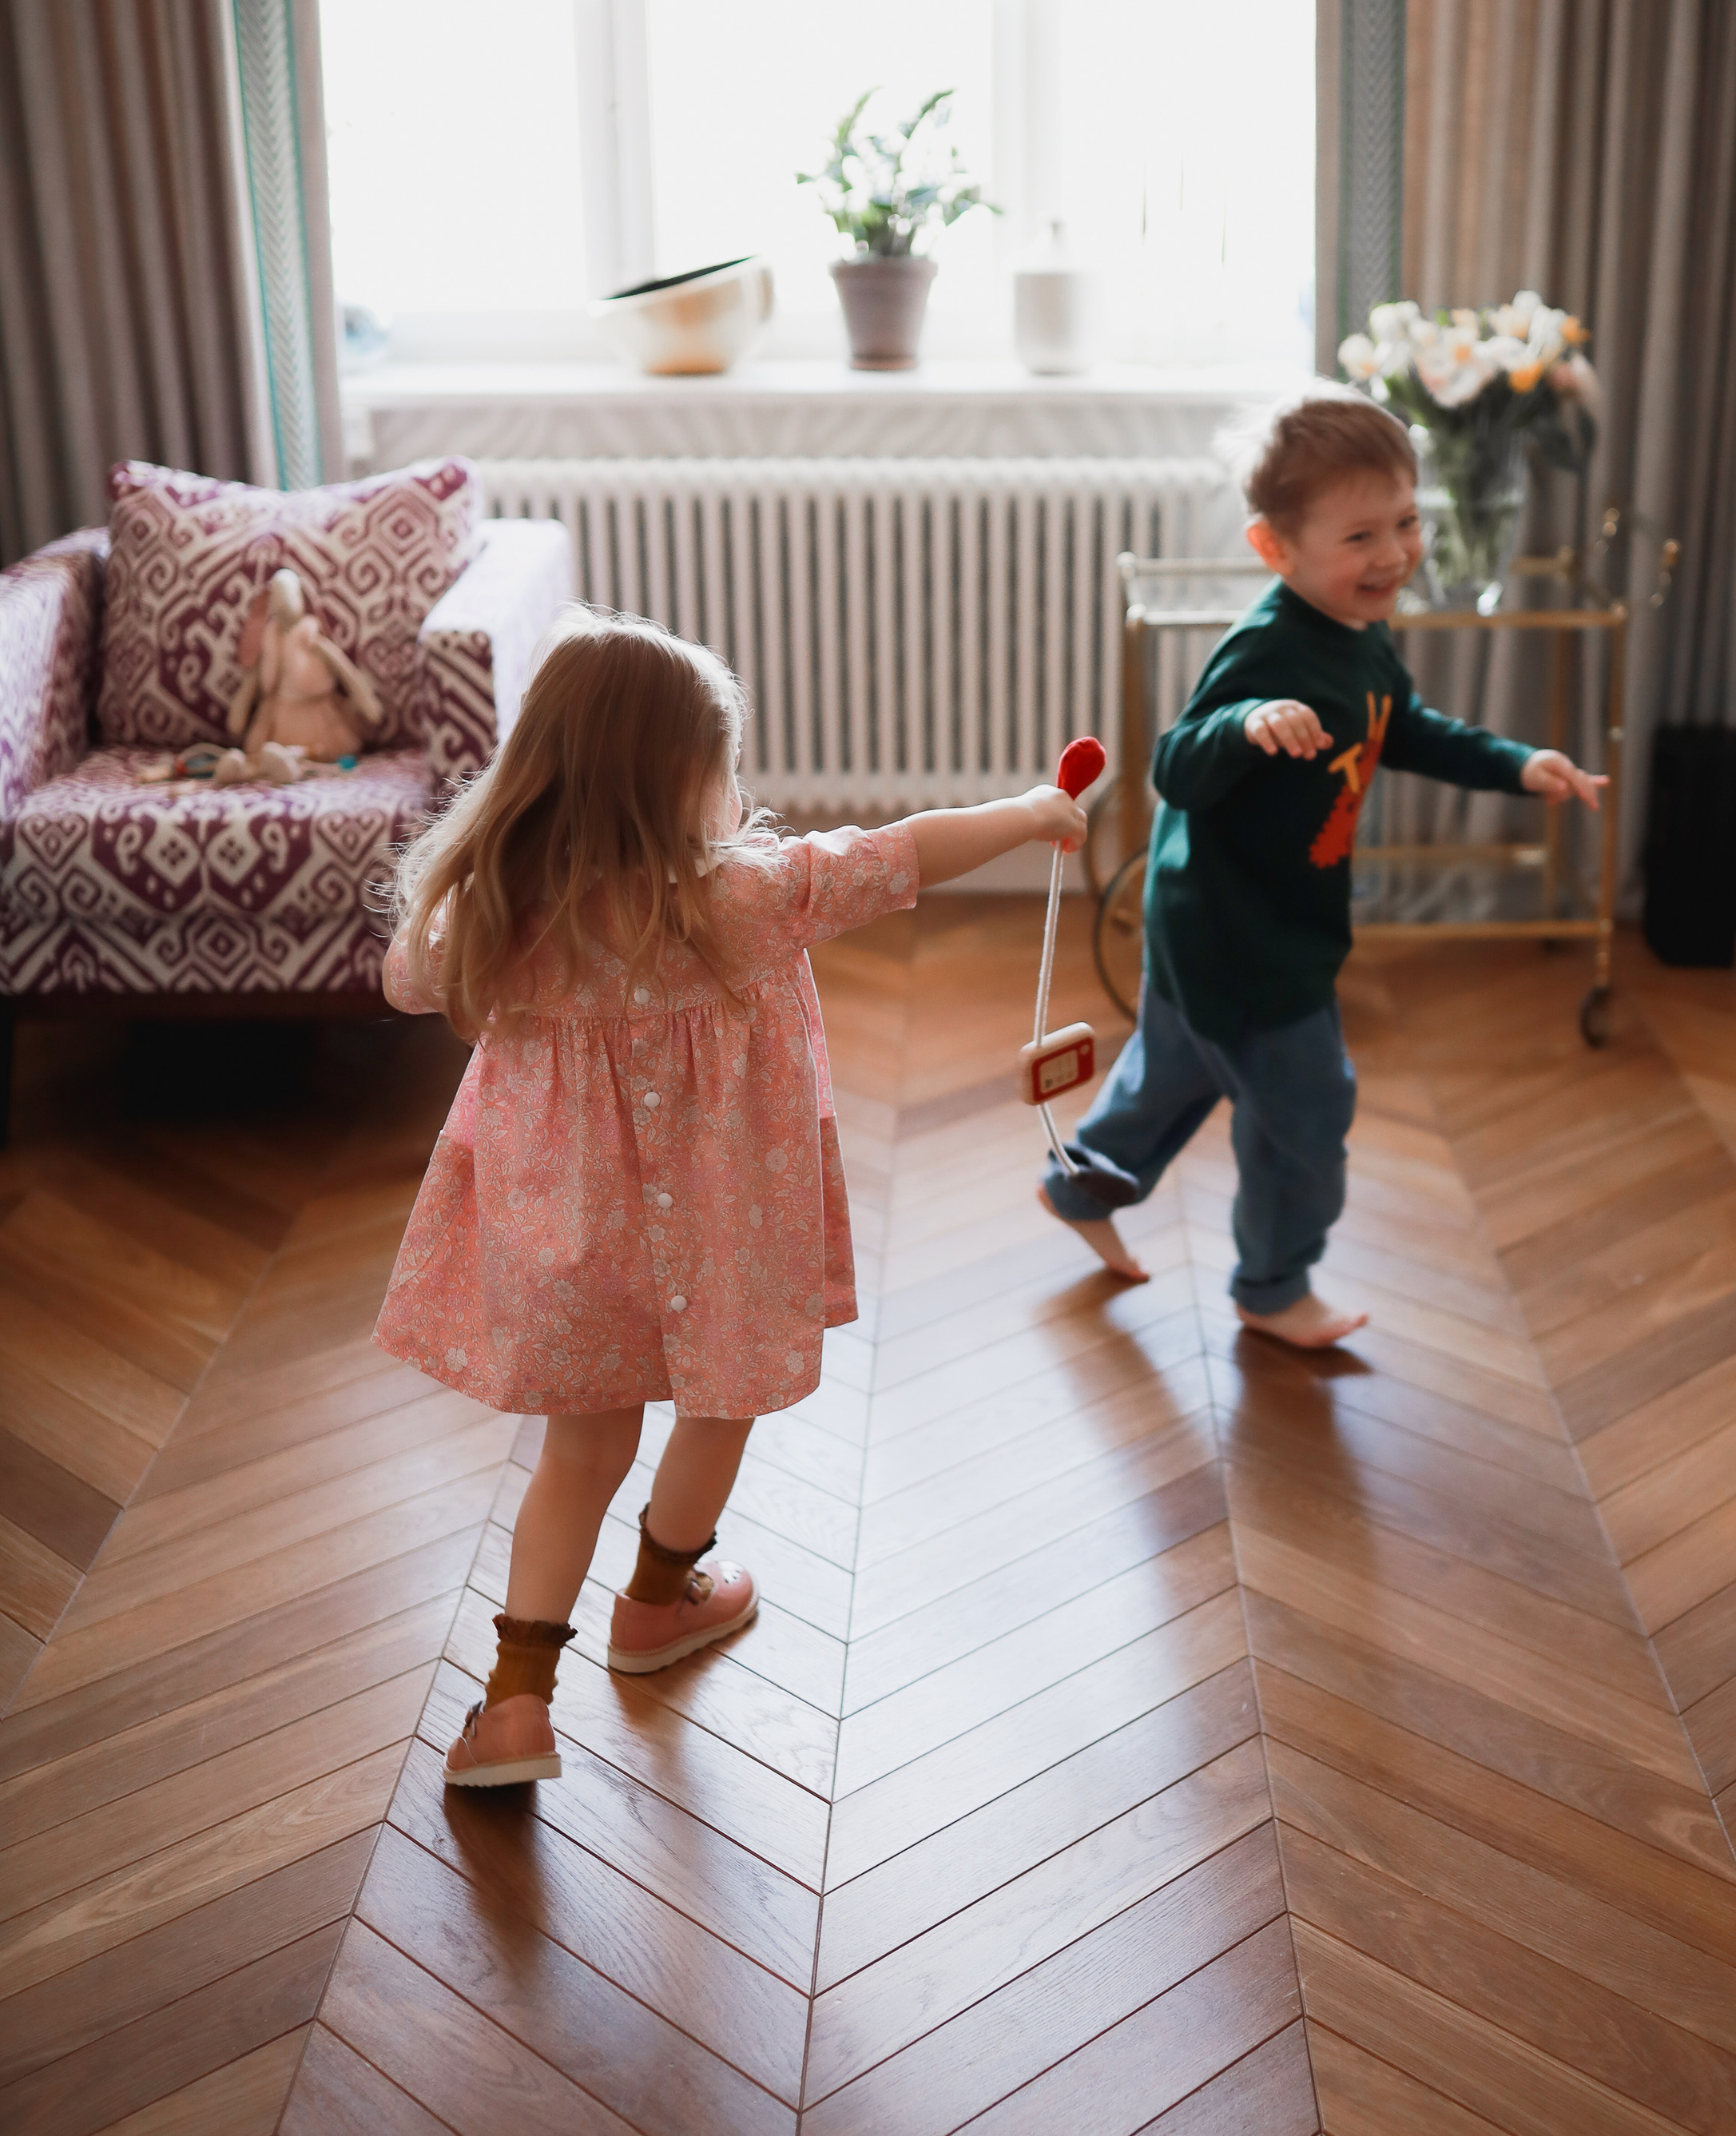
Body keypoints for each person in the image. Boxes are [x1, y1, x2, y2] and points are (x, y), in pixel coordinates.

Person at [375, 607, 1085, 1788]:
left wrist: (480, 890)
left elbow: (408, 980)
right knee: (720, 1401)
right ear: (683, 782)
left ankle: (513, 1706)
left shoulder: (505, 918)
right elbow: (906, 849)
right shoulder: (748, 898)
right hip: (730, 1229)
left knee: (577, 1452)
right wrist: (1033, 813)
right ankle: (659, 1601)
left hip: (569, 1239)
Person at [1039, 392, 1605, 1347]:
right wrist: (1245, 726)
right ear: (1276, 550)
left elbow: (1405, 729)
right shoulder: (1268, 648)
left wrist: (1513, 763)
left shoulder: (1361, 635)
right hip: (1243, 937)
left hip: (1217, 922)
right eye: (1360, 536)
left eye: (1406, 522)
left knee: (1171, 1073)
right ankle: (1271, 1288)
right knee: (1307, 1112)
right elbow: (1175, 764)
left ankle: (1078, 1186)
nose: (1392, 554)